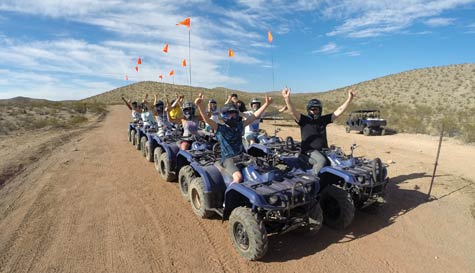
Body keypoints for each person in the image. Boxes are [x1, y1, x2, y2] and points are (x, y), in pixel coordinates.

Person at [195, 93, 272, 184]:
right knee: (238, 178)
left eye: (234, 115)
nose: (231, 118)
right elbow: (207, 120)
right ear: (224, 116)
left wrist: (266, 104)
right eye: (229, 115)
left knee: (262, 171)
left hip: (242, 156)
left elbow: (254, 116)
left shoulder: (239, 126)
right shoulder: (220, 128)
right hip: (228, 159)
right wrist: (200, 106)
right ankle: (230, 195)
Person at [281, 87, 356, 174]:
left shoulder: (323, 120)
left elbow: (339, 111)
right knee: (321, 161)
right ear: (308, 110)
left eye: (316, 109)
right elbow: (292, 111)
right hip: (309, 151)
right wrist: (287, 98)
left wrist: (349, 99)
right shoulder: (304, 120)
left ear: (320, 110)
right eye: (312, 109)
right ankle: (313, 179)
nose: (314, 111)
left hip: (324, 150)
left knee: (337, 161)